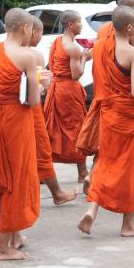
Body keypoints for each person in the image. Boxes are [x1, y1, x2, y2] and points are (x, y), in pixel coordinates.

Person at [77, 6, 134, 237]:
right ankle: (128, 225)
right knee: (132, 169)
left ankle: (92, 209)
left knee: (106, 162)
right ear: (130, 27)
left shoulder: (100, 46)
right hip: (129, 116)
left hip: (109, 114)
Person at [0, 9, 42, 260]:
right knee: (15, 176)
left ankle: (15, 236)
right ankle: (1, 248)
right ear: (25, 28)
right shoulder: (26, 57)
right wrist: (41, 85)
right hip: (15, 120)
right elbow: (32, 100)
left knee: (1, 173)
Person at [76, 0, 134, 158]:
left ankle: (99, 165)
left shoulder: (103, 30)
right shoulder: (132, 32)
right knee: (123, 147)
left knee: (106, 141)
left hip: (104, 91)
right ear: (127, 9)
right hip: (123, 96)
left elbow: (101, 58)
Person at [28, 16, 78, 205]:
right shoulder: (33, 56)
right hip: (28, 109)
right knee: (42, 148)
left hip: (1, 112)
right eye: (41, 33)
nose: (41, 37)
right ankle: (57, 193)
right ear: (31, 31)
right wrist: (43, 86)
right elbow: (34, 93)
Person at [44, 9, 91, 187]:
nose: (81, 25)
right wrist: (84, 58)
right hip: (69, 90)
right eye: (79, 22)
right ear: (71, 24)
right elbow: (76, 74)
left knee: (54, 128)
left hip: (56, 88)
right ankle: (82, 172)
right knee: (76, 127)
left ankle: (45, 170)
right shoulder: (72, 47)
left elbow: (52, 66)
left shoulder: (57, 41)